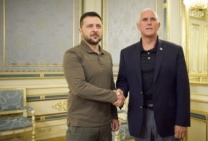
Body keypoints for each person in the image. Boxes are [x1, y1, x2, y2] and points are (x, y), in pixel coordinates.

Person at [116, 8, 190, 141]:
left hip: (168, 119)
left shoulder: (175, 51)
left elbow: (183, 89)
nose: (149, 22)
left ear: (158, 25)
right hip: (139, 118)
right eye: (145, 20)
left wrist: (182, 121)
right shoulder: (126, 53)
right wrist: (121, 92)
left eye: (153, 19)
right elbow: (123, 81)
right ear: (138, 26)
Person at [63, 11, 125, 141]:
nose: (95, 30)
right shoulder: (72, 54)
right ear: (81, 31)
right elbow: (79, 87)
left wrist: (114, 116)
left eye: (98, 26)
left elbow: (110, 85)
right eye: (90, 26)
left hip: (105, 123)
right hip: (81, 125)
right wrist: (114, 96)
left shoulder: (107, 56)